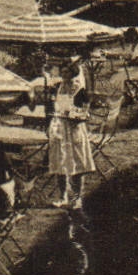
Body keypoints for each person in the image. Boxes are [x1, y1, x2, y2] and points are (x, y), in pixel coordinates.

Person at [47, 63, 96, 208]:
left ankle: (77, 198)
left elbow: (85, 112)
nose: (64, 75)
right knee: (59, 163)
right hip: (60, 129)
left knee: (77, 164)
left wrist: (75, 114)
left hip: (74, 129)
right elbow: (53, 107)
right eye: (62, 72)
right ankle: (63, 197)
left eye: (67, 72)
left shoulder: (79, 89)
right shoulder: (57, 87)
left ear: (73, 73)